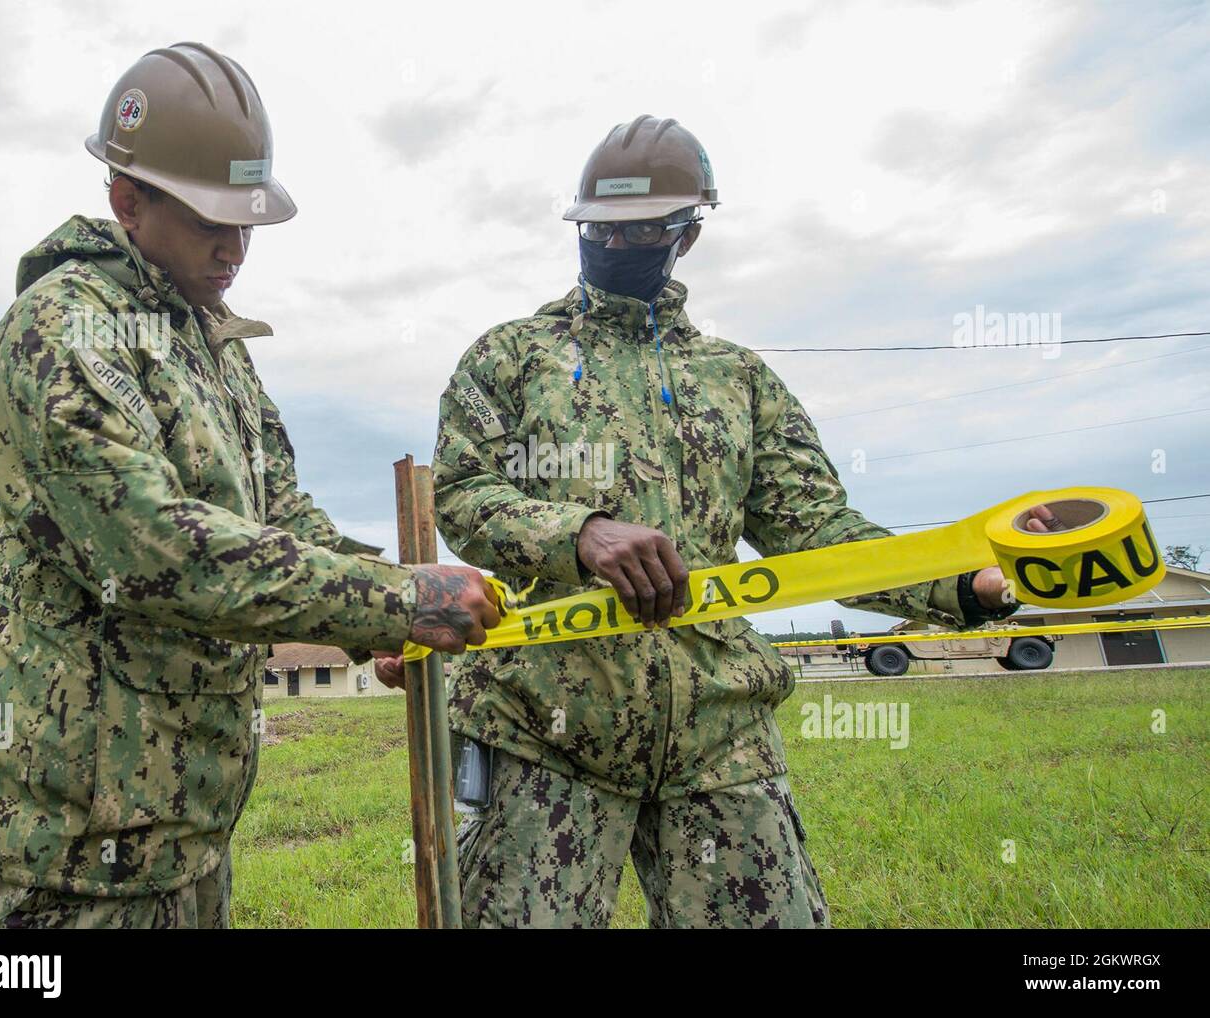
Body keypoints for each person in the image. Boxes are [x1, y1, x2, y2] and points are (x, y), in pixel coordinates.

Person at [433, 115, 1059, 928]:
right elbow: (461, 493)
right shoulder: (510, 356)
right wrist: (579, 534)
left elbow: (818, 530)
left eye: (645, 229)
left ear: (686, 237)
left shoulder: (739, 381)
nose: (617, 246)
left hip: (716, 730)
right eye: (601, 228)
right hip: (542, 724)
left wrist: (966, 581)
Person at [0, 41, 498, 929]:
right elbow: (155, 550)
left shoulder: (212, 344)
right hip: (82, 843)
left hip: (190, 816)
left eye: (247, 220)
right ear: (127, 200)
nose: (235, 246)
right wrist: (392, 599)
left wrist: (377, 626)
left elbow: (280, 510)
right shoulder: (63, 330)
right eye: (211, 217)